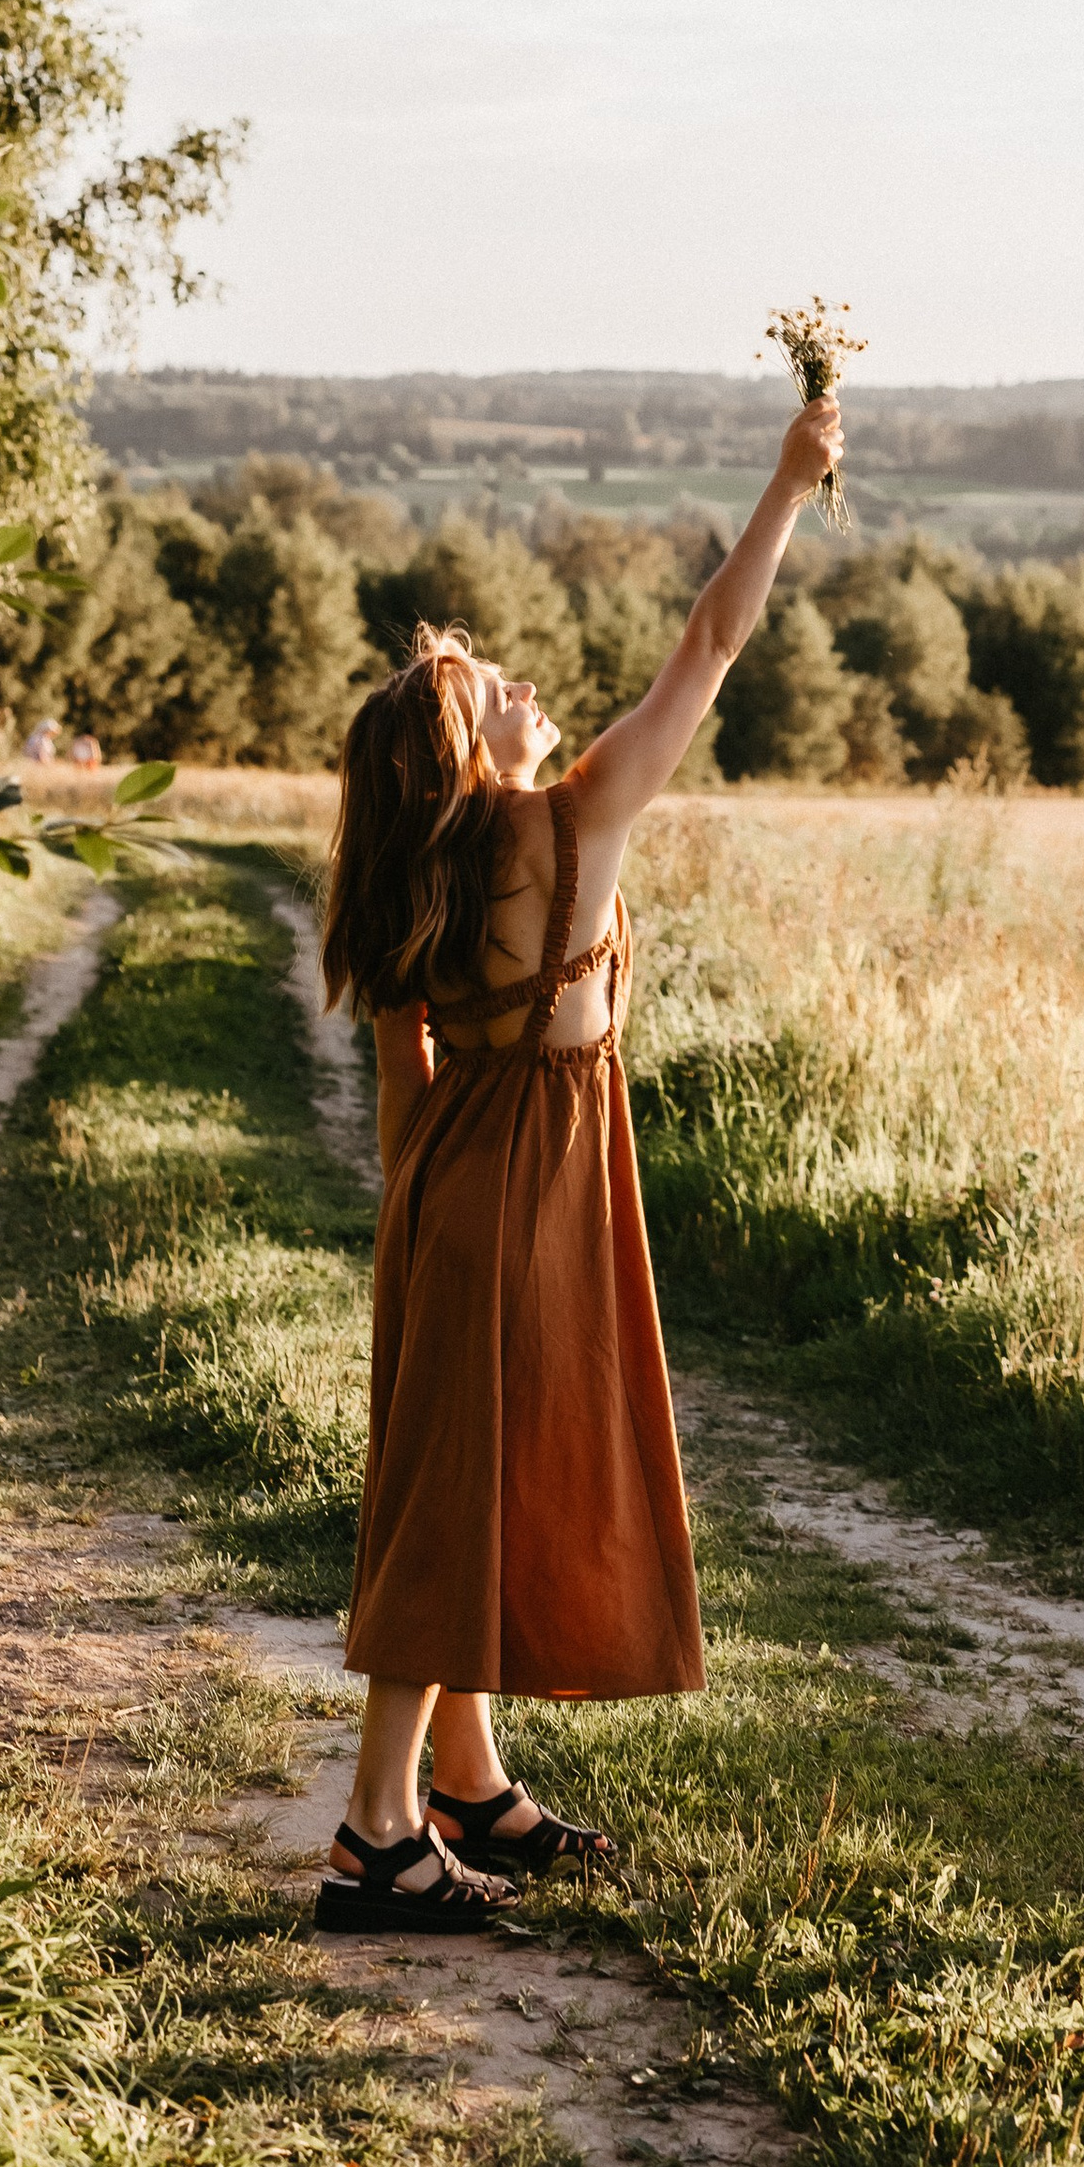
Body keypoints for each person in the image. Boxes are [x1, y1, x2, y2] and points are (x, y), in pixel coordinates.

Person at [312, 390, 844, 1936]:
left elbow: (405, 1087)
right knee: (445, 1508)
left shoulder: (420, 870)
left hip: (451, 1187)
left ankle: (466, 1778)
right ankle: (372, 1835)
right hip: (532, 1184)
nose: (526, 686)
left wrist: (424, 1241)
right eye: (494, 688)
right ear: (470, 751)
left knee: (462, 1478)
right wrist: (788, 486)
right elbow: (713, 648)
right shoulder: (563, 827)